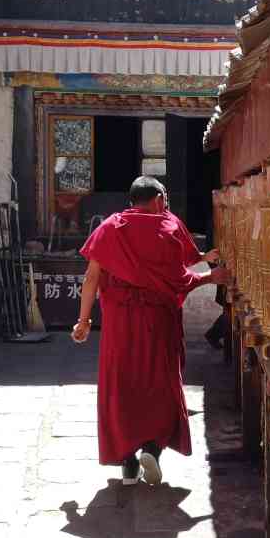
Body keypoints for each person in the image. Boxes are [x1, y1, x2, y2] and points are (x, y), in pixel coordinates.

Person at [71, 177, 228, 486]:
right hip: (158, 321)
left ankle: (128, 464)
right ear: (158, 198)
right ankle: (153, 451)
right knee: (161, 383)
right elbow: (179, 278)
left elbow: (91, 278)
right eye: (165, 197)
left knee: (122, 387)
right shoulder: (166, 227)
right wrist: (211, 276)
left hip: (119, 326)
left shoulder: (110, 229)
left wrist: (84, 321)